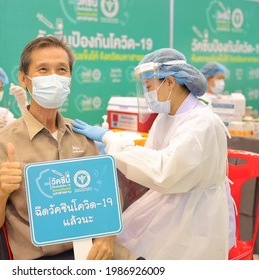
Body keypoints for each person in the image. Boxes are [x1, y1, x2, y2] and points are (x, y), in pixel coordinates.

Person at [72, 48, 235, 259]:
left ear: (169, 82)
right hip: (171, 202)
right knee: (123, 243)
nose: (147, 94)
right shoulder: (167, 116)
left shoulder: (201, 123)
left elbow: (163, 170)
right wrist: (111, 147)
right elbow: (149, 158)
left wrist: (110, 139)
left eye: (148, 86)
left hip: (196, 218)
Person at [0, 36, 122, 260]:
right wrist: (2, 190)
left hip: (93, 251)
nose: (53, 77)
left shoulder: (82, 136)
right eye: (43, 69)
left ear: (70, 79)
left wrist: (108, 237)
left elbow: (107, 198)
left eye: (61, 69)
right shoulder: (0, 143)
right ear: (24, 79)